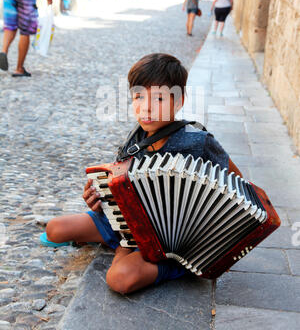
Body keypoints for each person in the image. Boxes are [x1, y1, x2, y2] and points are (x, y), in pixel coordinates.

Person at [40, 53, 243, 295]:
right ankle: (120, 244)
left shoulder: (198, 142)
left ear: (178, 101)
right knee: (55, 229)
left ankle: (156, 262)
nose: (146, 107)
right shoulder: (137, 137)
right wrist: (98, 196)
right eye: (138, 96)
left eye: (158, 98)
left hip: (170, 244)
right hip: (125, 223)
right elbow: (119, 184)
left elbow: (238, 184)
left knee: (119, 279)